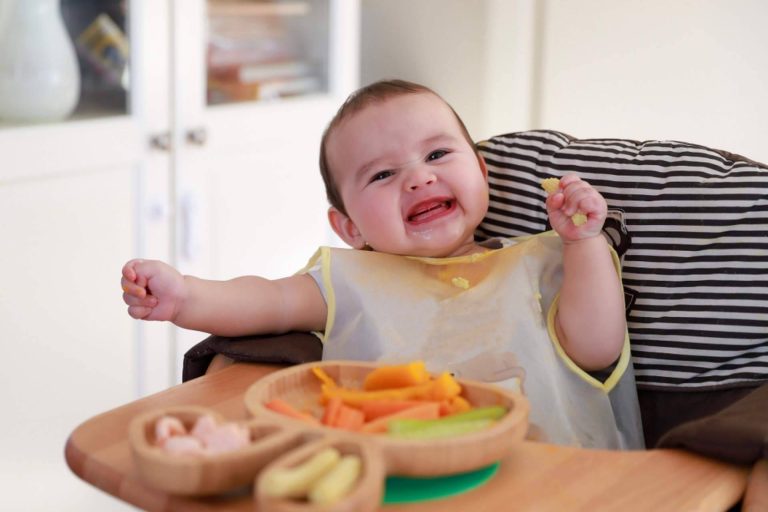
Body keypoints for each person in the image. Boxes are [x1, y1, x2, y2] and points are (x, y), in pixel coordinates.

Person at [122, 79, 643, 449]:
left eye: (437, 156)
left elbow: (597, 347)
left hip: (559, 480)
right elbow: (267, 299)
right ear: (350, 227)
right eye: (382, 174)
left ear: (482, 173)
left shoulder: (545, 261)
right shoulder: (347, 279)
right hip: (397, 482)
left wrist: (583, 243)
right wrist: (186, 295)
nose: (417, 179)